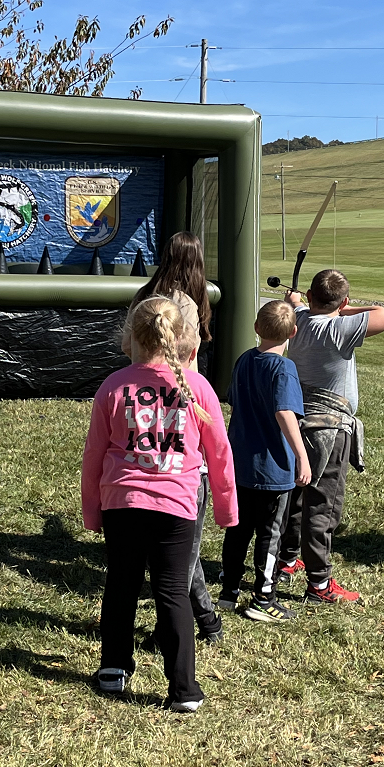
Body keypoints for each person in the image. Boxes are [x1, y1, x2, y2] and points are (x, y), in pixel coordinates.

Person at [82, 297, 237, 713]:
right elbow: (220, 455)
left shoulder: (114, 385)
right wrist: (227, 509)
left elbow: (94, 455)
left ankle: (113, 667)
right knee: (172, 593)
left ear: (131, 337)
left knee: (121, 585)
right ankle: (183, 689)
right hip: (176, 507)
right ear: (183, 337)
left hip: (122, 504)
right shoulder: (196, 387)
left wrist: (92, 510)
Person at [121, 232, 222, 642]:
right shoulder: (187, 305)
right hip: (180, 413)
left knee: (171, 547)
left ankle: (196, 620)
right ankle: (198, 620)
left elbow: (127, 347)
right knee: (181, 546)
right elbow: (188, 362)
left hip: (144, 411)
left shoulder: (146, 295)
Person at [278, 270, 384, 602]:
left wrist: (298, 303)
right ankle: (319, 584)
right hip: (329, 430)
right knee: (323, 506)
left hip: (296, 425)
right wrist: (345, 309)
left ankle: (287, 560)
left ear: (310, 296)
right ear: (342, 302)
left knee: (295, 497)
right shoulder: (339, 328)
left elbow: (298, 306)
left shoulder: (298, 320)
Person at [217, 301, 311, 622]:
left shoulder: (244, 360)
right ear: (294, 332)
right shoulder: (283, 369)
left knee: (238, 530)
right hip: (273, 470)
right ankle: (263, 598)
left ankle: (229, 591)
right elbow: (284, 412)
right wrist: (302, 456)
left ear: (256, 327)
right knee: (270, 535)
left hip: (240, 465)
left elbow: (233, 400)